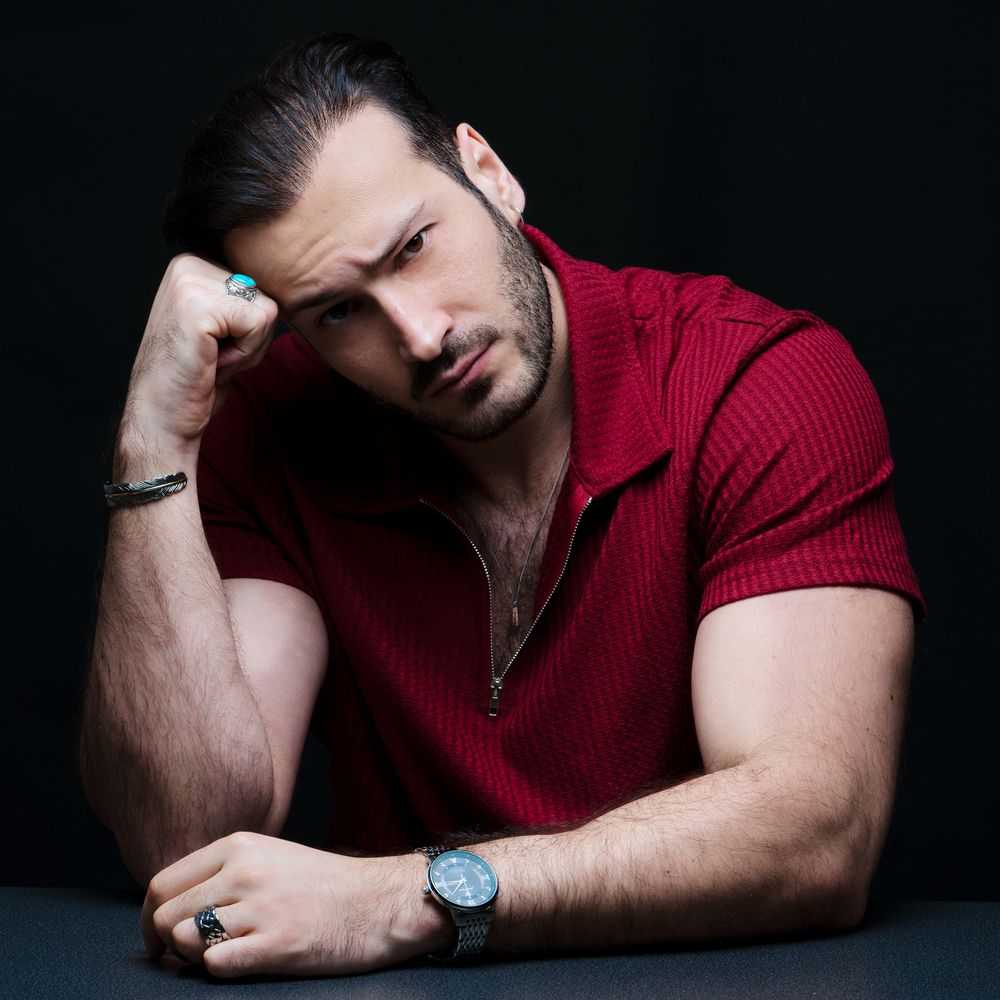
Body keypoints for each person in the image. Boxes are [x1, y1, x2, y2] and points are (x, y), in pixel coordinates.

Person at [80, 32, 925, 979]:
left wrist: (407, 900)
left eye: (414, 246)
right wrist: (153, 439)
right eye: (338, 311)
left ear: (488, 173)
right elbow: (188, 843)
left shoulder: (761, 384)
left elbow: (815, 836)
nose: (422, 335)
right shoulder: (275, 430)